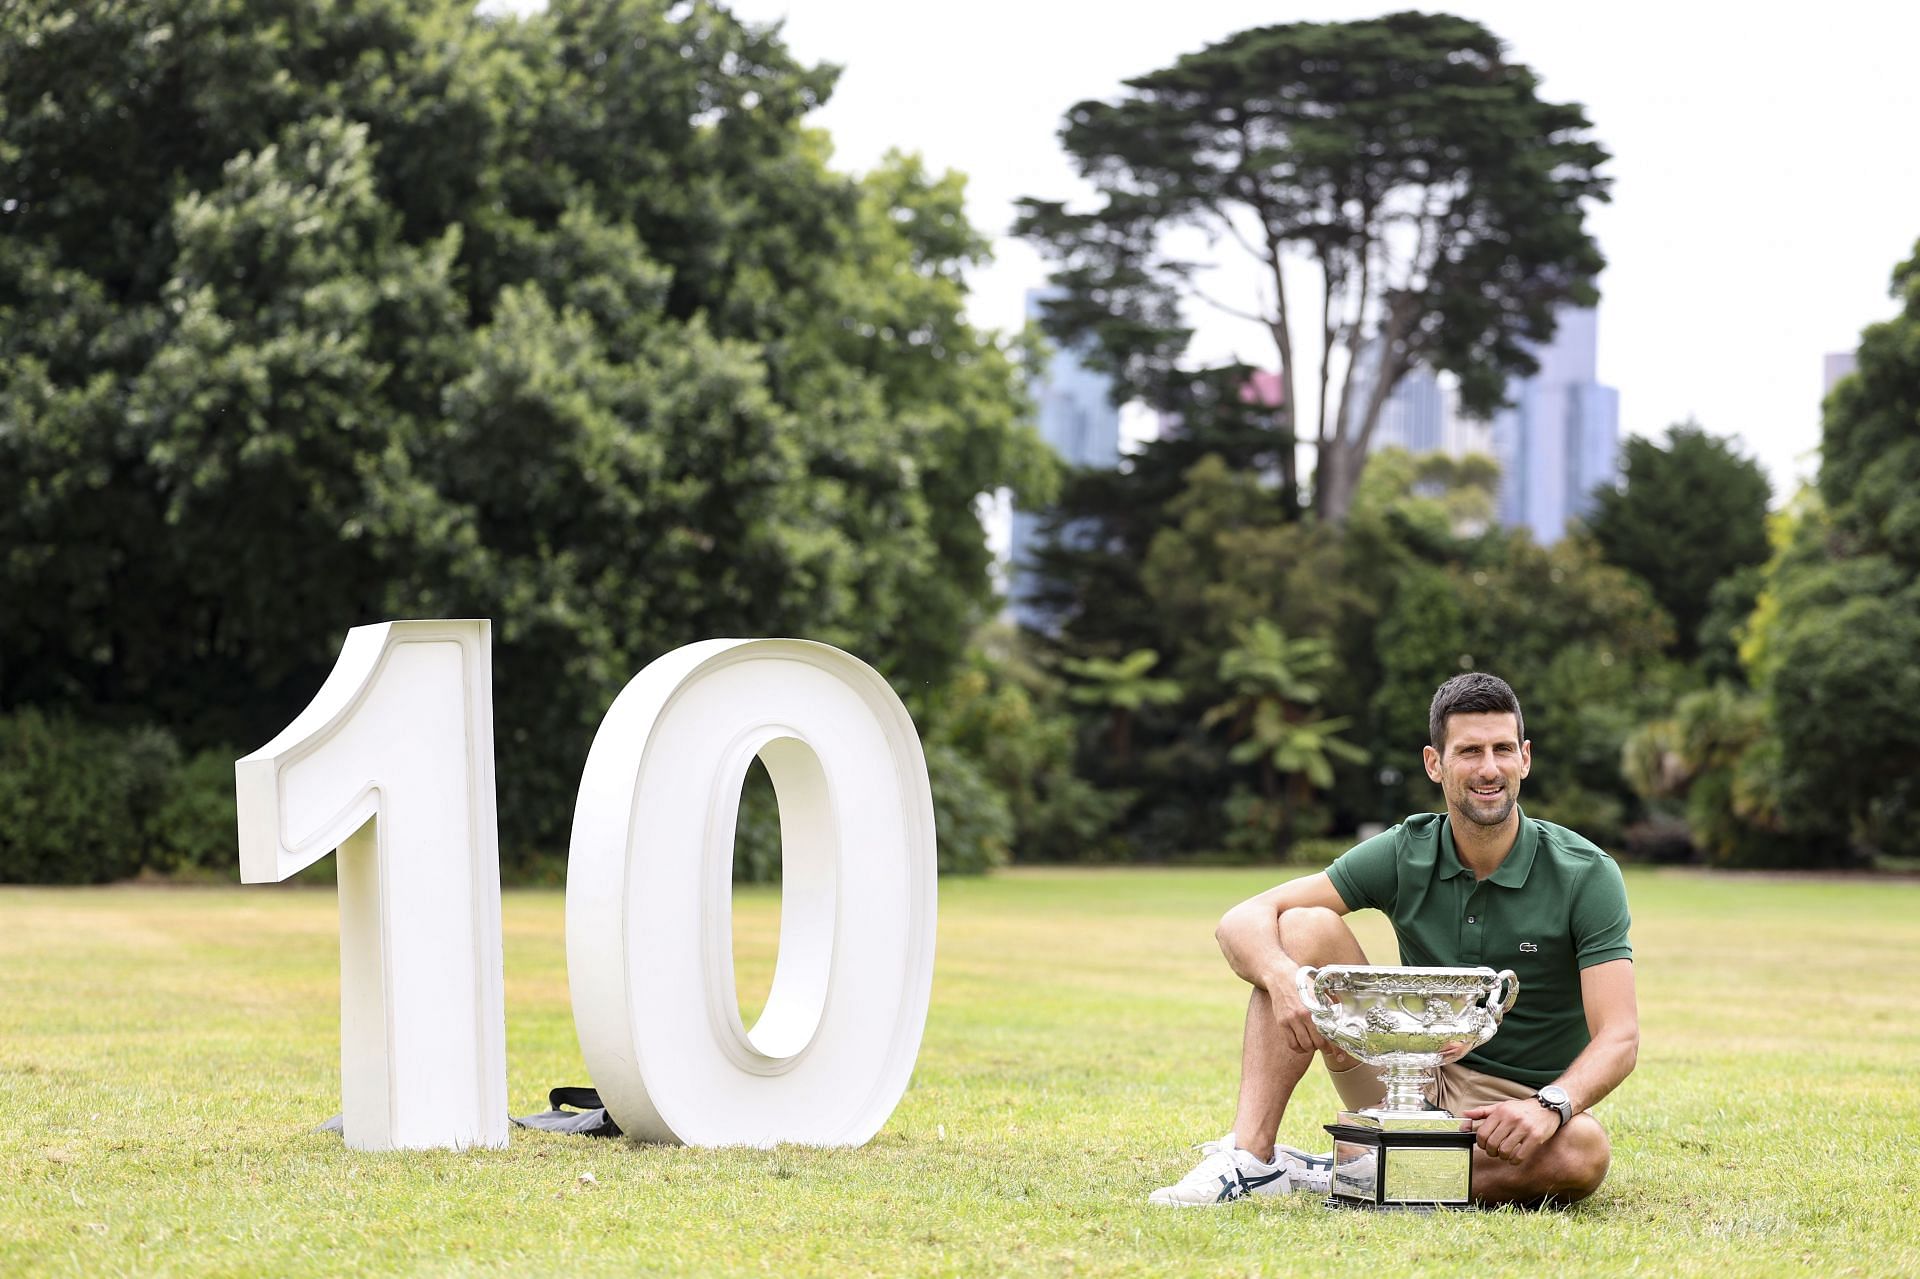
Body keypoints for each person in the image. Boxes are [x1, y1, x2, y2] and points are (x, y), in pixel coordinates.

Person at [1149, 672, 1638, 1207]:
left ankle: (1356, 1171)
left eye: (1502, 749)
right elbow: (1242, 919)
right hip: (1404, 1071)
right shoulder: (1408, 849)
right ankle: (1252, 1158)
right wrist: (1284, 978)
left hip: (1510, 1109)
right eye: (1469, 751)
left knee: (1583, 1152)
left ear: (1525, 757)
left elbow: (1619, 1037)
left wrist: (1549, 1107)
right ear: (1435, 763)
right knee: (1301, 928)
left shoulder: (1585, 873)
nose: (1489, 768)